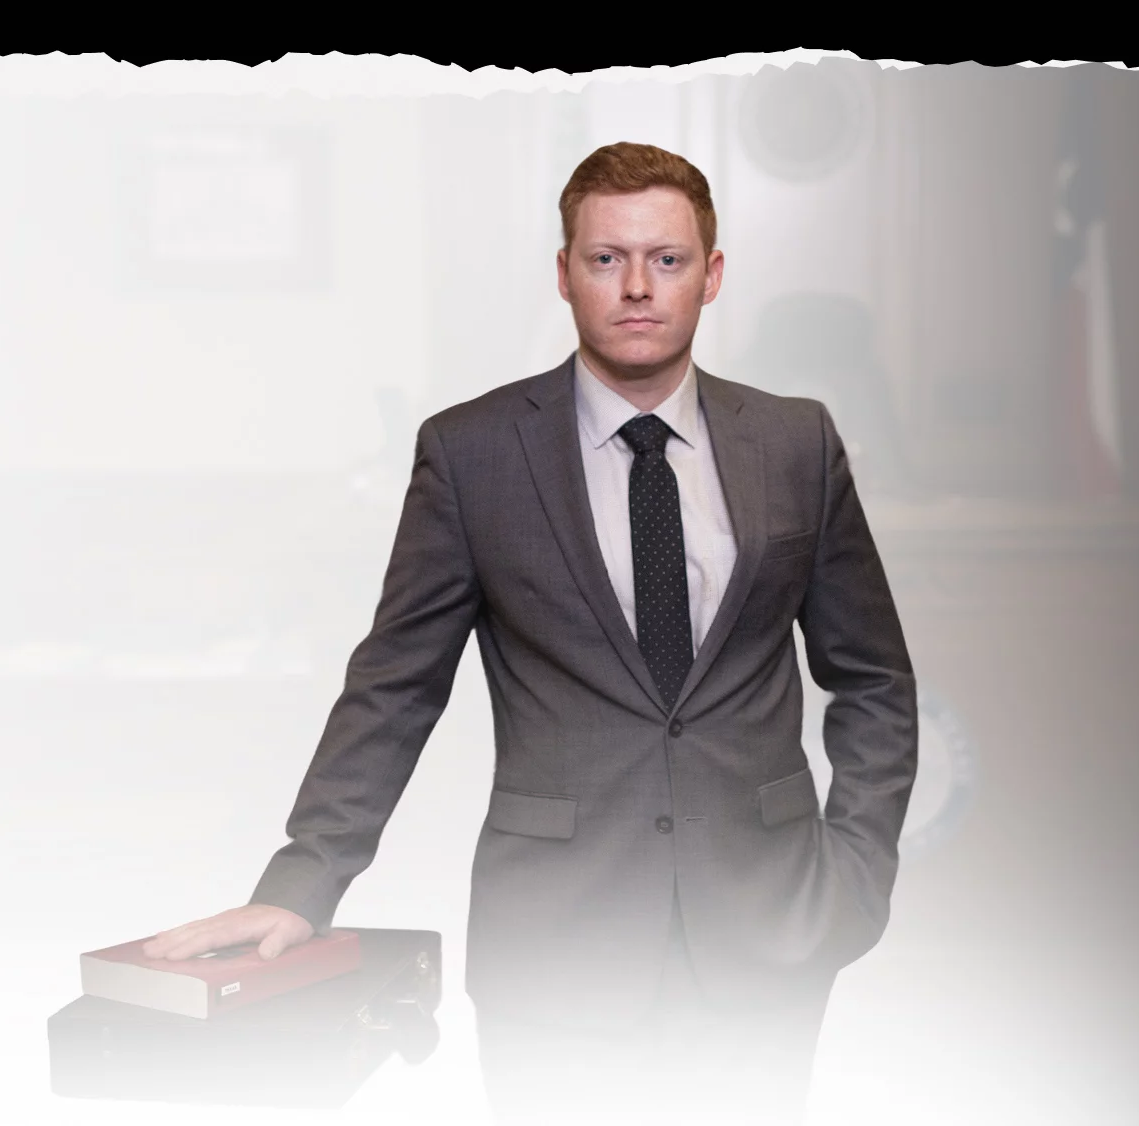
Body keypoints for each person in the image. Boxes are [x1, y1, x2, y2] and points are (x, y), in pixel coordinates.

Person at [141, 142, 917, 1125]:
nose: (637, 287)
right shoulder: (472, 452)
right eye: (606, 259)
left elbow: (873, 678)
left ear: (712, 274)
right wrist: (304, 880)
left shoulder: (796, 440)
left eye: (667, 259)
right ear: (564, 273)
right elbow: (396, 684)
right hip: (556, 947)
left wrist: (858, 874)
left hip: (769, 934)